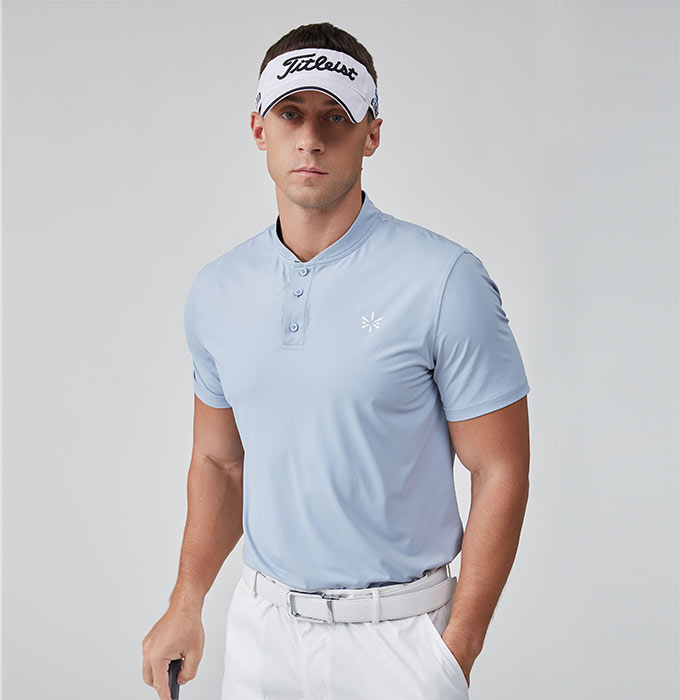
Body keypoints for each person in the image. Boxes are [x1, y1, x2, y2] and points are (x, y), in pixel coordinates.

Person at [142, 21, 531, 700]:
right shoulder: (217, 290)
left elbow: (500, 467)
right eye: (290, 114)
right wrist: (186, 600)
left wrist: (457, 649)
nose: (311, 137)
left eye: (336, 117)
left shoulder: (444, 280)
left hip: (399, 638)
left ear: (371, 134)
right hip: (262, 634)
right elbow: (221, 463)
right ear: (259, 128)